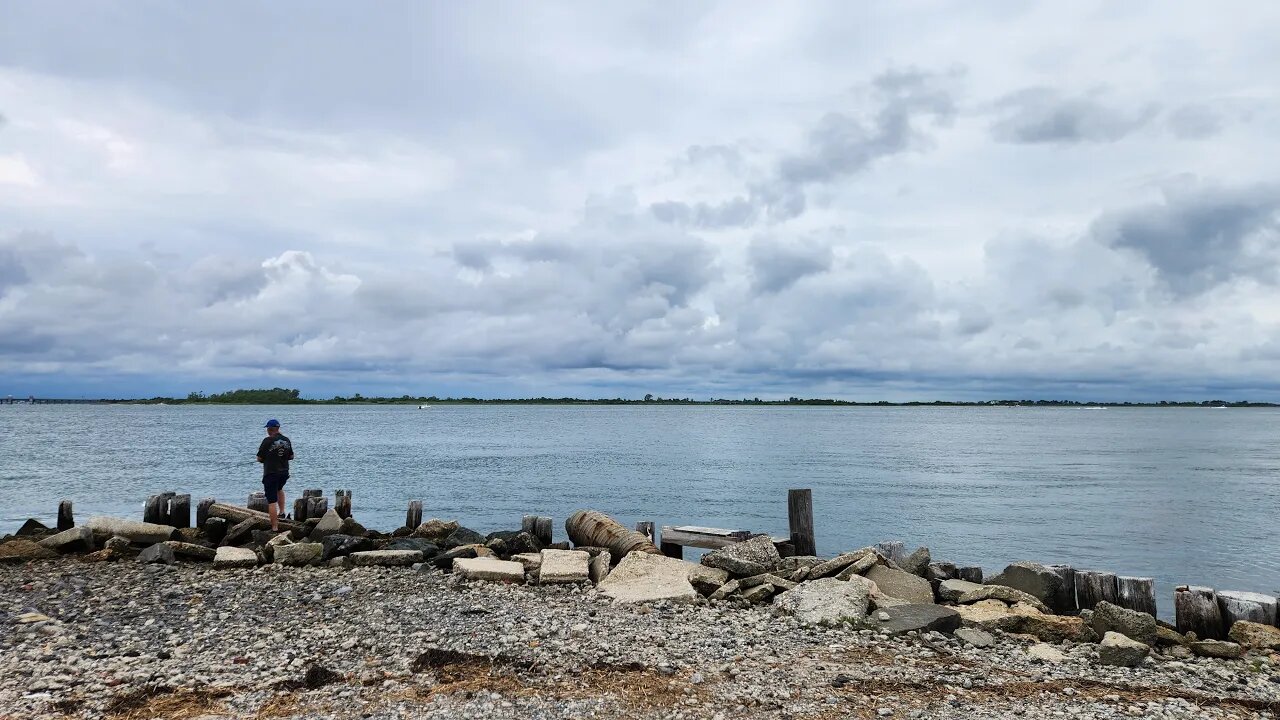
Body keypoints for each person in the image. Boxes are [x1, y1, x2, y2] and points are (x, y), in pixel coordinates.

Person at [256, 419, 294, 531]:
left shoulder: (267, 441)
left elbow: (259, 458)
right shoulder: (286, 440)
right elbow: (291, 456)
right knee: (280, 489)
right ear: (278, 428)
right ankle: (282, 512)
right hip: (284, 472)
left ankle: (274, 527)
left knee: (271, 500)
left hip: (271, 473)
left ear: (269, 429)